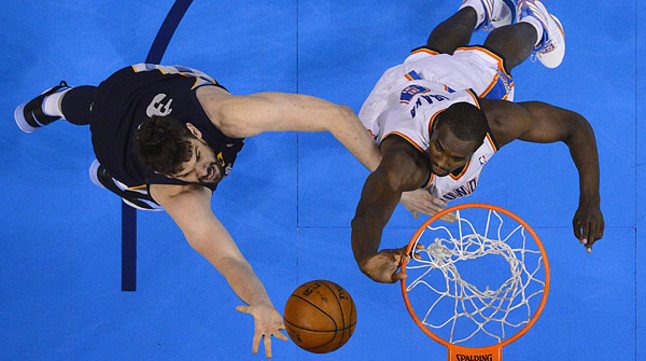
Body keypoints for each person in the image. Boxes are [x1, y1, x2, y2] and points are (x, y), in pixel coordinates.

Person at [14, 63, 436, 357]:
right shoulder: (175, 193)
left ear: (195, 131)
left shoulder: (225, 115)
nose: (205, 173)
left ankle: (67, 110)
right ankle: (70, 123)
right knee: (95, 109)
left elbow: (335, 115)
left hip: (150, 82)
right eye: (192, 174)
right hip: (113, 131)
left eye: (199, 158)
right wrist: (260, 302)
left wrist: (393, 186)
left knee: (116, 95)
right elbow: (228, 257)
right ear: (169, 176)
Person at [351, 0, 605, 284]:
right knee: (471, 60)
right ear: (433, 133)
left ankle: (533, 22)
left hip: (435, 83)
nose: (441, 163)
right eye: (440, 148)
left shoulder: (499, 122)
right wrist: (365, 256)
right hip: (401, 93)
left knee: (465, 59)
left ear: (480, 144)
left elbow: (575, 126)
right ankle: (506, 15)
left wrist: (590, 202)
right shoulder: (405, 160)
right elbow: (370, 209)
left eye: (457, 158)